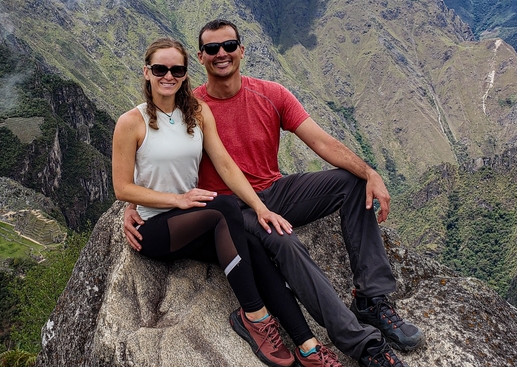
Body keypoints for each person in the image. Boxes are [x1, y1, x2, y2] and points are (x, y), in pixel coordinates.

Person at [124, 20, 424, 367]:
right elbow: (152, 149)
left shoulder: (271, 94)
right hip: (233, 211)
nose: (222, 54)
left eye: (229, 45)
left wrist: (370, 173)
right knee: (283, 241)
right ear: (201, 58)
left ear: (242, 50)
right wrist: (133, 203)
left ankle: (371, 298)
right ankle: (360, 344)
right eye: (212, 49)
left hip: (275, 190)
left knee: (353, 183)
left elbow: (321, 141)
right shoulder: (190, 107)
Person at [113, 38, 334, 367]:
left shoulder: (197, 114)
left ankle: (309, 346)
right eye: (160, 69)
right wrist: (177, 199)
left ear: (186, 74)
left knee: (254, 246)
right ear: (147, 73)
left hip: (194, 223)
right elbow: (122, 188)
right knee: (225, 208)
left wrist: (261, 208)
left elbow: (225, 165)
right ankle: (255, 318)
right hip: (155, 229)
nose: (168, 76)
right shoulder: (131, 122)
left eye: (177, 69)